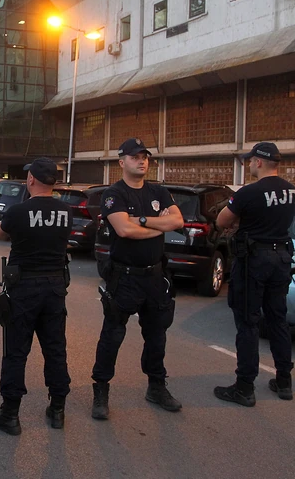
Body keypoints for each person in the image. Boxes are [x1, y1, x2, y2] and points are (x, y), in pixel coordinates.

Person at [91, 138, 185, 419]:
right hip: (125, 277)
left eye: (144, 156)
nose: (142, 161)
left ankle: (156, 386)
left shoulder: (158, 191)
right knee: (112, 335)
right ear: (122, 162)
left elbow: (178, 222)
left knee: (157, 336)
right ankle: (101, 389)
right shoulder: (114, 194)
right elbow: (124, 231)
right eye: (134, 157)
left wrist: (142, 220)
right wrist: (159, 224)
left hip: (155, 276)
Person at [0, 158, 72, 435]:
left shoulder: (19, 210)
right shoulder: (66, 211)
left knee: (16, 351)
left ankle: (10, 414)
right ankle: (57, 409)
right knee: (55, 349)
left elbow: (0, 234)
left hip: (24, 287)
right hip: (56, 286)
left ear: (32, 180)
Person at [213, 142, 295, 406]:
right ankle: (284, 381)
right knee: (277, 319)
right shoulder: (291, 191)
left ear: (259, 162)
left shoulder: (249, 192)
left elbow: (222, 221)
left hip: (254, 261)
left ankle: (244, 387)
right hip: (281, 258)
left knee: (248, 322)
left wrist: (241, 220)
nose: (249, 164)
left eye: (250, 160)